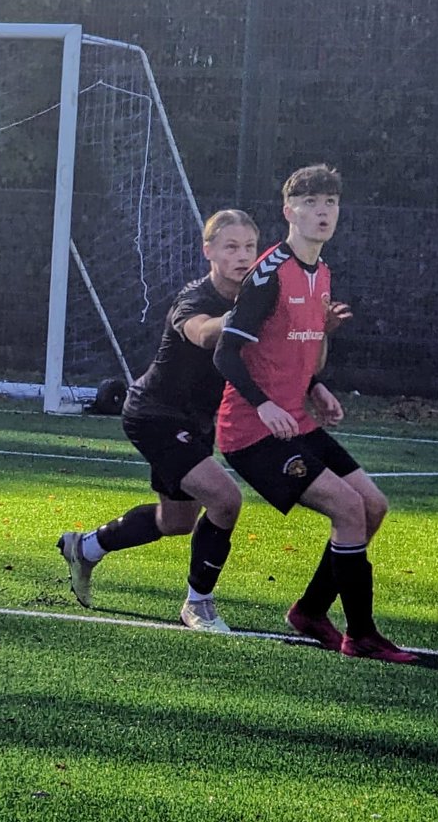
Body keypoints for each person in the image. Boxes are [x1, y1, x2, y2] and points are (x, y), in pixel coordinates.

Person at [213, 165, 416, 663]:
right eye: (310, 203)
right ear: (289, 212)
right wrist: (262, 404)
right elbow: (225, 353)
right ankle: (361, 633)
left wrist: (317, 386)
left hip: (296, 419)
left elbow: (292, 349)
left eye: (330, 202)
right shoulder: (267, 274)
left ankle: (308, 611)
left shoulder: (321, 272)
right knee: (348, 510)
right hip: (251, 431)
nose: (322, 212)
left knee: (373, 507)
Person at [58, 209, 260, 634]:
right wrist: (244, 316)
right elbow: (204, 333)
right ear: (209, 252)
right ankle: (198, 605)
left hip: (195, 423)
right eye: (231, 247)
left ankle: (86, 547)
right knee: (225, 500)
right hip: (154, 415)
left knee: (177, 522)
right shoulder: (195, 298)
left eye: (249, 247)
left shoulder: (256, 296)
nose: (242, 256)